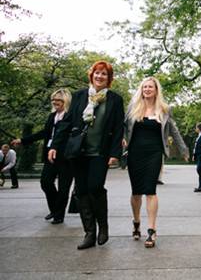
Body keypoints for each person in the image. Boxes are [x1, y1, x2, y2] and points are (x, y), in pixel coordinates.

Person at [48, 61, 124, 250]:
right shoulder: (79, 96)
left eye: (104, 74)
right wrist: (55, 145)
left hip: (100, 152)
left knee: (95, 187)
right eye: (97, 73)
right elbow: (66, 123)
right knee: (82, 191)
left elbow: (117, 128)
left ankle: (103, 227)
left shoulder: (114, 99)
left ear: (109, 78)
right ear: (92, 75)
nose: (100, 76)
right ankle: (89, 233)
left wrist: (115, 153)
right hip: (78, 151)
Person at [125, 77, 188, 248]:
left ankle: (151, 230)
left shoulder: (164, 110)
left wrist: (183, 150)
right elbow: (123, 128)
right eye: (144, 87)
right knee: (136, 192)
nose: (147, 89)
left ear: (156, 90)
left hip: (154, 153)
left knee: (150, 190)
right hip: (135, 153)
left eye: (150, 87)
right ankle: (136, 221)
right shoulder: (133, 108)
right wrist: (121, 142)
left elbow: (173, 131)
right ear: (141, 89)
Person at [11, 89, 73, 223]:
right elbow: (44, 133)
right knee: (45, 182)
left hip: (66, 157)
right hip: (50, 156)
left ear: (65, 101)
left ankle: (58, 215)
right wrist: (23, 140)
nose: (55, 102)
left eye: (58, 100)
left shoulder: (70, 116)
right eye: (53, 100)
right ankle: (55, 209)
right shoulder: (52, 116)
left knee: (64, 188)